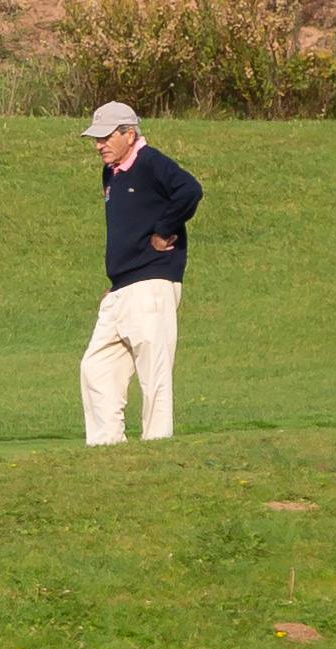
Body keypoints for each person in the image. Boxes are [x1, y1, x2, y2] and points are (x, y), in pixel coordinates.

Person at [78, 101, 202, 446]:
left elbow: (190, 190)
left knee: (154, 373)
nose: (99, 145)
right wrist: (115, 284)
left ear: (128, 134)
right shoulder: (111, 173)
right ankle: (107, 446)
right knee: (95, 367)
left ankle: (156, 448)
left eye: (105, 138)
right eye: (96, 139)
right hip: (122, 288)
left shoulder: (150, 162)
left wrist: (164, 230)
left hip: (152, 284)